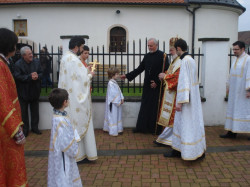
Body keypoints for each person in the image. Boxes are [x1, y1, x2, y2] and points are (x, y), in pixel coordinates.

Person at [164, 39, 206, 160]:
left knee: (184, 124)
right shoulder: (191, 60)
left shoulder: (184, 61)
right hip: (193, 99)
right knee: (191, 124)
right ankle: (183, 149)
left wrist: (180, 103)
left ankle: (186, 151)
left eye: (175, 49)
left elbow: (183, 83)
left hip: (185, 102)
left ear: (178, 49)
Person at [58, 36, 98, 163]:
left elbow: (73, 77)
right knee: (79, 123)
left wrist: (85, 72)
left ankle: (79, 154)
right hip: (76, 99)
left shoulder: (65, 57)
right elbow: (82, 80)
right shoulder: (74, 60)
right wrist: (90, 75)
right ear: (77, 46)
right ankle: (81, 155)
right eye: (81, 47)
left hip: (68, 98)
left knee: (72, 125)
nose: (82, 50)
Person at [121, 38, 169, 134]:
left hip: (157, 86)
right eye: (148, 46)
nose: (149, 47)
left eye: (151, 46)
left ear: (156, 45)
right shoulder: (147, 56)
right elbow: (139, 69)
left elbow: (166, 71)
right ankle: (142, 127)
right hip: (147, 85)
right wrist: (127, 76)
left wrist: (157, 82)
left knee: (154, 107)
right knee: (145, 106)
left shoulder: (163, 56)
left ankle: (153, 129)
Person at [0, 28, 28, 186]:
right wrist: (15, 129)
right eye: (15, 44)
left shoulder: (4, 63)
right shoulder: (0, 65)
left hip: (5, 127)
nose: (16, 47)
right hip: (6, 130)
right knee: (10, 165)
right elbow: (3, 99)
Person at [48, 88, 82, 187]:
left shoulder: (58, 116)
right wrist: (74, 138)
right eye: (68, 99)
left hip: (59, 152)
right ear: (65, 102)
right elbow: (65, 143)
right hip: (63, 155)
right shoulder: (60, 121)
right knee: (64, 175)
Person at [154, 37, 181, 146]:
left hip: (175, 95)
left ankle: (168, 139)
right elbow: (170, 73)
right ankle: (165, 138)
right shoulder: (174, 61)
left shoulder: (181, 62)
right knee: (168, 117)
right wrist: (164, 75)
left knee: (172, 118)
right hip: (169, 94)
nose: (170, 52)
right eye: (170, 50)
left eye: (172, 50)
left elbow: (177, 78)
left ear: (178, 49)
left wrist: (165, 76)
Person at [220, 41, 250, 139]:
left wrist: (249, 90)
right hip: (234, 91)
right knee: (232, 110)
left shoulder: (248, 59)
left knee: (245, 111)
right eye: (233, 49)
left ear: (242, 49)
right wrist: (228, 86)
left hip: (243, 91)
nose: (234, 51)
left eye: (236, 49)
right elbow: (231, 74)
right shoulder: (235, 59)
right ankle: (231, 132)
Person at [14, 46, 43, 137]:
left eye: (31, 53)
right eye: (29, 54)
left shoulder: (37, 62)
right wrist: (29, 77)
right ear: (23, 56)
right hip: (23, 92)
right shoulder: (18, 64)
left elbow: (42, 73)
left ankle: (35, 128)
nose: (31, 55)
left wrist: (37, 76)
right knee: (24, 112)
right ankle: (25, 129)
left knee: (35, 111)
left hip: (35, 91)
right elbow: (17, 77)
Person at [103, 67, 124, 136]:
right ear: (113, 75)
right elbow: (113, 94)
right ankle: (113, 131)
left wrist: (122, 97)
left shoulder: (114, 82)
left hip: (116, 103)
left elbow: (118, 91)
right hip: (114, 103)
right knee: (113, 116)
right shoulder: (111, 83)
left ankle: (118, 129)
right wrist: (118, 101)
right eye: (117, 74)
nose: (118, 75)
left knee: (116, 116)